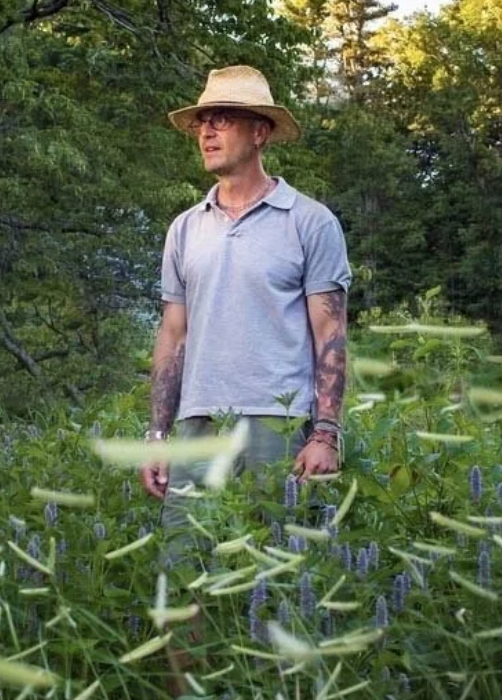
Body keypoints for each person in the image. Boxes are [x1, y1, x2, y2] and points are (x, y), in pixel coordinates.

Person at [140, 65, 351, 501]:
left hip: (278, 424)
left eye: (222, 118)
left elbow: (330, 333)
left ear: (259, 132)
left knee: (273, 562)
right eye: (202, 120)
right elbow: (173, 337)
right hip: (198, 424)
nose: (206, 132)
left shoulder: (310, 221)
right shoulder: (184, 229)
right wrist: (158, 434)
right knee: (187, 562)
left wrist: (326, 433)